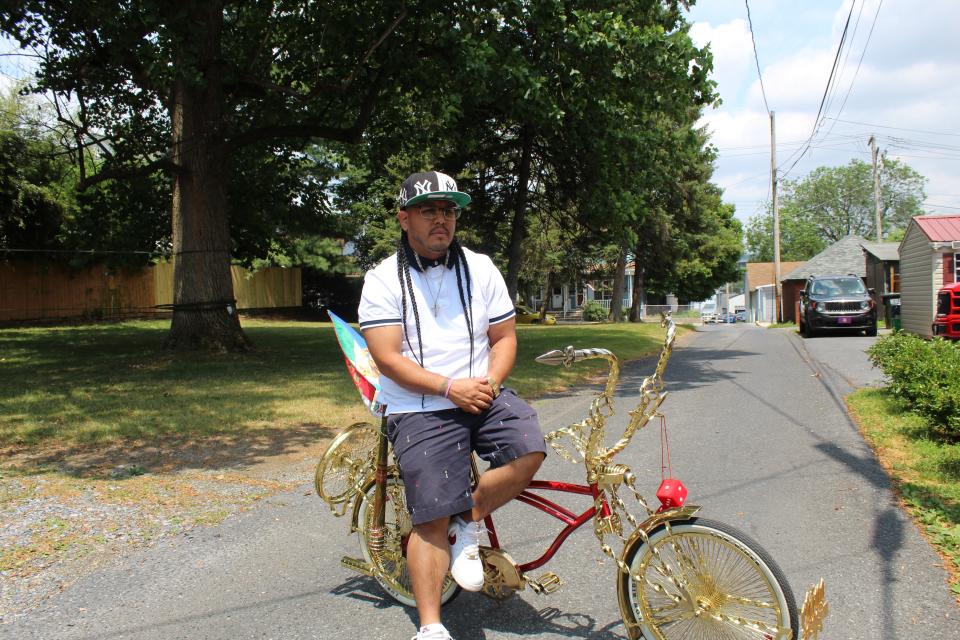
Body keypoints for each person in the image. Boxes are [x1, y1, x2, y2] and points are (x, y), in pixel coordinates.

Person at [359, 171, 546, 640]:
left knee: (529, 448)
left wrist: (489, 383)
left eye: (449, 210)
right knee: (431, 514)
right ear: (405, 219)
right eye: (429, 210)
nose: (442, 219)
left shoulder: (481, 268)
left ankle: (467, 522)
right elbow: (386, 358)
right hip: (419, 405)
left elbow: (503, 338)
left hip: (480, 391)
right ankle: (431, 627)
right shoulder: (382, 279)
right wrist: (449, 388)